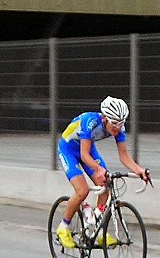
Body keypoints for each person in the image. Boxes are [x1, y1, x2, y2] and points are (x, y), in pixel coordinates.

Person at [55, 96, 149, 249]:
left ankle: (97, 230)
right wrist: (99, 169)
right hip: (69, 150)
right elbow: (84, 155)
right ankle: (63, 227)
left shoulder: (118, 127)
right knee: (82, 190)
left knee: (106, 182)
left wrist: (140, 171)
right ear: (105, 118)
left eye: (121, 124)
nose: (117, 128)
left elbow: (124, 156)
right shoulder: (89, 121)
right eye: (114, 124)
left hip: (88, 150)